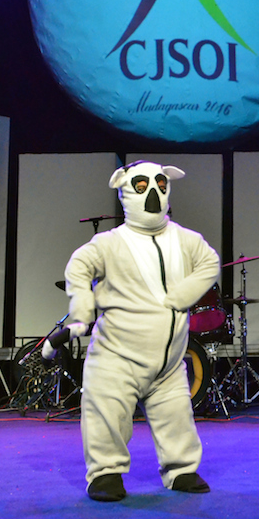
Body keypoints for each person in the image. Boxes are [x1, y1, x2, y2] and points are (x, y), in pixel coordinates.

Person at [43, 160, 220, 501]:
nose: (153, 193)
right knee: (107, 413)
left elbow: (209, 262)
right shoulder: (109, 243)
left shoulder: (185, 239)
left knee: (176, 414)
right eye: (142, 187)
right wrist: (82, 311)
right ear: (124, 189)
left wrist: (183, 295)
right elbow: (79, 267)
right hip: (117, 358)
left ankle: (181, 468)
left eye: (160, 186)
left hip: (168, 362)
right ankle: (106, 473)